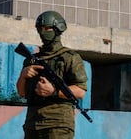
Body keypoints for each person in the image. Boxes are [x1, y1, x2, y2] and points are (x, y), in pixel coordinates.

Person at [16, 11, 88, 139]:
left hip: (57, 125)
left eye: (47, 28)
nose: (43, 32)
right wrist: (23, 76)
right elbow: (22, 93)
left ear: (58, 29)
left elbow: (80, 91)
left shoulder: (70, 57)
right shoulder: (31, 60)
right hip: (32, 124)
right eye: (40, 29)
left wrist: (53, 91)